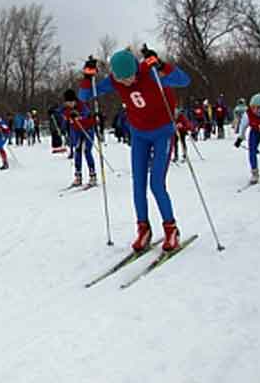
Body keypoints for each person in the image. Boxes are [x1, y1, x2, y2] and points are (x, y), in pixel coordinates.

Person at [80, 48, 190, 252]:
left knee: (156, 183)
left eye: (129, 77)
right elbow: (85, 95)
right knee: (138, 184)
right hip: (139, 134)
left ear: (135, 70)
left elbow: (184, 80)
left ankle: (171, 228)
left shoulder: (150, 72)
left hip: (162, 132)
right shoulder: (115, 80)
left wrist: (162, 65)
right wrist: (88, 76)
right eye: (121, 80)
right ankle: (143, 228)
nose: (126, 83)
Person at [62, 89, 97, 187]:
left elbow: (86, 114)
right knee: (77, 151)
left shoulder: (82, 105)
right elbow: (63, 114)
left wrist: (78, 115)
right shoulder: (66, 108)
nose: (69, 104)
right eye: (67, 102)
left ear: (74, 100)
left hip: (87, 130)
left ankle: (93, 176)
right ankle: (78, 176)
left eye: (71, 102)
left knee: (86, 151)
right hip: (76, 131)